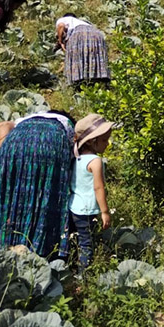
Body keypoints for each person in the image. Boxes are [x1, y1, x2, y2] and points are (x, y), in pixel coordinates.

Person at [0, 108, 76, 258]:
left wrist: (7, 153)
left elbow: (2, 126)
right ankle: (40, 249)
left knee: (8, 196)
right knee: (46, 194)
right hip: (52, 142)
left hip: (15, 141)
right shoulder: (67, 125)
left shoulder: (25, 120)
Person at [68, 114, 116, 270]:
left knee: (77, 239)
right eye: (103, 140)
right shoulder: (95, 161)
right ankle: (83, 276)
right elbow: (98, 187)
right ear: (91, 141)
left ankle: (71, 267)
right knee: (87, 244)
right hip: (87, 210)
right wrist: (105, 211)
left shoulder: (77, 158)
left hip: (73, 206)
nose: (107, 144)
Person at [55, 14, 110, 88]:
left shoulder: (63, 19)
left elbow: (61, 26)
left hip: (79, 33)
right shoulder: (83, 23)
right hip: (97, 35)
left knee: (77, 57)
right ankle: (99, 80)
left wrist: (60, 41)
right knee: (94, 56)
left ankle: (78, 82)